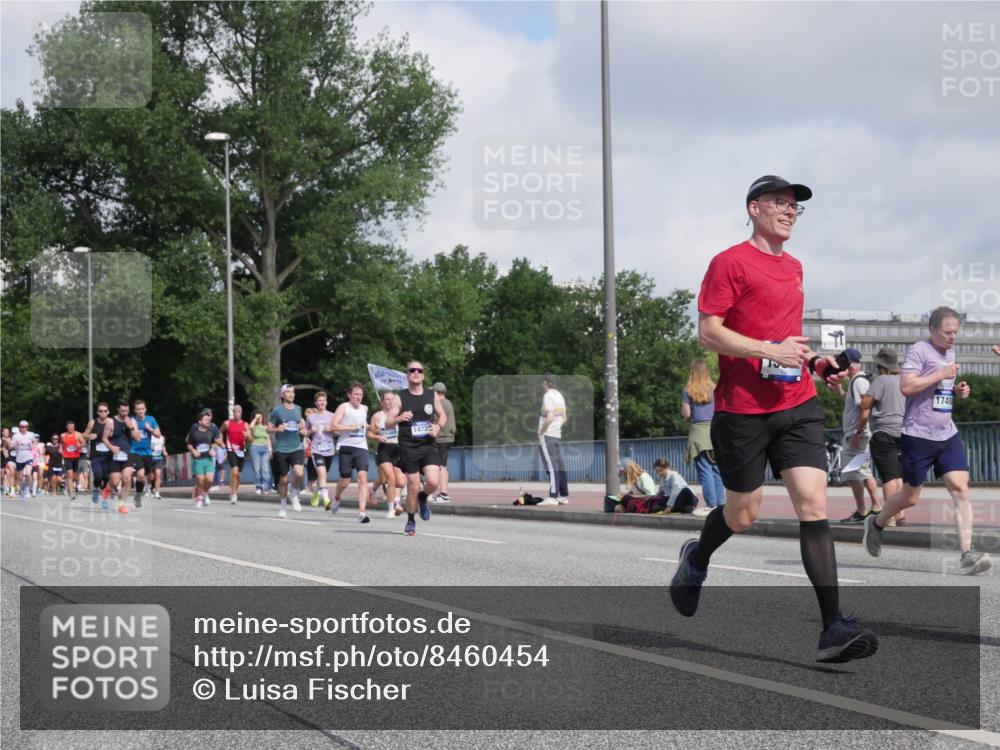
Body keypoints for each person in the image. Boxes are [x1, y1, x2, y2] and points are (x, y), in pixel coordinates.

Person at [670, 175, 877, 664]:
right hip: (742, 411)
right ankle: (696, 559)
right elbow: (708, 333)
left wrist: (814, 364)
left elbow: (787, 340)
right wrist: (770, 349)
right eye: (781, 203)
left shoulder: (797, 268)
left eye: (795, 207)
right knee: (743, 514)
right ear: (754, 208)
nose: (790, 212)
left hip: (797, 405)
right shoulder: (728, 263)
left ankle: (832, 629)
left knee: (812, 502)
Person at [863, 307, 992, 575]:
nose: (952, 337)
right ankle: (876, 523)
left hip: (947, 433)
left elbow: (938, 391)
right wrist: (939, 375)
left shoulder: (949, 352)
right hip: (918, 435)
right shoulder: (919, 351)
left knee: (960, 488)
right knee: (910, 497)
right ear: (932, 330)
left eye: (956, 332)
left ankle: (967, 554)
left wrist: (956, 391)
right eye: (947, 332)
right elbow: (907, 387)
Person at [387, 361, 447, 536]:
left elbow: (442, 415)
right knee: (413, 485)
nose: (415, 372)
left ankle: (423, 497)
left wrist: (437, 427)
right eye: (412, 370)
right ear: (407, 375)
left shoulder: (431, 395)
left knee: (434, 482)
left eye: (419, 370)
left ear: (423, 375)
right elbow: (388, 422)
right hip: (408, 447)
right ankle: (411, 520)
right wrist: (399, 418)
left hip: (427, 444)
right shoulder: (400, 397)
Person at [857, 348, 907, 526]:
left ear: (881, 365)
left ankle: (889, 517)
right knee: (899, 476)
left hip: (883, 433)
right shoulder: (904, 380)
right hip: (903, 432)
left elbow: (865, 404)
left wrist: (866, 395)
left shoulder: (880, 380)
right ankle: (900, 515)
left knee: (888, 477)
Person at [835, 349, 881, 524]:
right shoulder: (856, 382)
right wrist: (839, 390)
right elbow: (855, 405)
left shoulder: (858, 382)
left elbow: (865, 409)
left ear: (849, 365)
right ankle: (875, 507)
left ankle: (863, 510)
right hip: (859, 434)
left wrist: (857, 433)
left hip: (857, 435)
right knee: (863, 472)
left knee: (853, 474)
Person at [681, 359, 726, 516]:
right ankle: (721, 503)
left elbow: (686, 414)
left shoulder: (688, 391)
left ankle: (710, 504)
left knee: (704, 469)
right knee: (716, 469)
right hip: (716, 430)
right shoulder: (715, 388)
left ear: (693, 373)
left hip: (699, 433)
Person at [331, 382, 371, 523]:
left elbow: (364, 424)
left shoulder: (364, 408)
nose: (358, 397)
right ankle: (336, 497)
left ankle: (362, 512)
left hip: (361, 447)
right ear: (349, 395)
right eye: (355, 394)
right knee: (345, 480)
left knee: (362, 479)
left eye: (360, 395)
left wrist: (368, 426)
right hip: (346, 447)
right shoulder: (344, 407)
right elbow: (333, 426)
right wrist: (349, 427)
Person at [268, 384, 307, 518]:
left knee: (299, 473)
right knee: (283, 480)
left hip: (296, 447)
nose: (291, 394)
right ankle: (283, 506)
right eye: (288, 392)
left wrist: (303, 429)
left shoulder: (298, 409)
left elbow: (301, 424)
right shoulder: (277, 411)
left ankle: (294, 493)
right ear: (282, 395)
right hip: (282, 449)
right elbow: (268, 428)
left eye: (292, 392)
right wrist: (277, 429)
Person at [369, 392, 405, 518]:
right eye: (388, 399)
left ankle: (393, 502)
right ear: (382, 402)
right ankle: (392, 508)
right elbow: (370, 434)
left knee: (400, 482)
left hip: (397, 448)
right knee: (390, 479)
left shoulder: (399, 415)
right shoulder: (377, 416)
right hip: (384, 449)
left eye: (392, 399)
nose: (390, 402)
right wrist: (377, 436)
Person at [537, 372, 569, 505]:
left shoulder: (548, 396)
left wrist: (541, 432)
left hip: (548, 435)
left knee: (551, 466)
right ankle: (563, 495)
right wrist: (556, 427)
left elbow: (549, 417)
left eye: (541, 382)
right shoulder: (560, 396)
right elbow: (564, 418)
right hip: (556, 434)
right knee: (559, 465)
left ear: (545, 382)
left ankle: (553, 497)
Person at [105, 399, 141, 513]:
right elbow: (104, 438)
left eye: (126, 410)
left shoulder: (132, 421)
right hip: (114, 454)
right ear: (118, 409)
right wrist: (111, 447)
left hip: (127, 453)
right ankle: (108, 491)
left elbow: (138, 438)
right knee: (115, 482)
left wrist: (131, 427)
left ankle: (122, 503)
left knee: (127, 478)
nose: (125, 413)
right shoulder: (110, 421)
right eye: (122, 411)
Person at [186, 408, 225, 508]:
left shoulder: (212, 429)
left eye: (210, 416)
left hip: (208, 458)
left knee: (209, 480)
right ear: (200, 421)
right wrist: (194, 451)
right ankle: (200, 498)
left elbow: (216, 441)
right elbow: (189, 443)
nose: (209, 419)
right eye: (206, 417)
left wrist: (215, 448)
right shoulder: (194, 429)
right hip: (198, 459)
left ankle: (205, 493)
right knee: (200, 479)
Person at [305, 392, 337, 508]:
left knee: (322, 476)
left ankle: (316, 493)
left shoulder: (332, 416)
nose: (322, 402)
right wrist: (310, 431)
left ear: (326, 402)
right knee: (322, 473)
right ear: (316, 403)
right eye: (320, 400)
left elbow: (338, 431)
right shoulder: (311, 418)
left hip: (329, 450)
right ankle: (326, 499)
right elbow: (304, 433)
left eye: (324, 400)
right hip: (317, 450)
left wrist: (332, 429)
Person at [129, 399, 161, 509]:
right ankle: (138, 496)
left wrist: (150, 429)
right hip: (134, 451)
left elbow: (158, 434)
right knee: (140, 474)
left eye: (142, 409)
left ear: (145, 409)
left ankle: (142, 490)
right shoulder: (131, 420)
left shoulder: (151, 419)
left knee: (150, 477)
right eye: (138, 409)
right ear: (135, 410)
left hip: (147, 453)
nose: (140, 411)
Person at [428, 382, 456, 503]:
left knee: (440, 466)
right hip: (447, 437)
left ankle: (443, 494)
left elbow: (435, 420)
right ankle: (442, 493)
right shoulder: (448, 403)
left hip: (441, 438)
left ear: (437, 392)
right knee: (442, 465)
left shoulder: (440, 404)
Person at [221, 404, 251, 505]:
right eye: (235, 411)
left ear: (241, 413)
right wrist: (221, 443)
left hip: (241, 450)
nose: (236, 413)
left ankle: (234, 490)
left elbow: (251, 439)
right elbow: (220, 432)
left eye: (238, 411)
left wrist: (247, 437)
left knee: (238, 475)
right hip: (230, 449)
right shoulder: (227, 423)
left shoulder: (245, 425)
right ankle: (233, 494)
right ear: (232, 413)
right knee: (234, 471)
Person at [84, 403, 113, 507]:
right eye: (101, 411)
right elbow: (84, 435)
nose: (103, 413)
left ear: (108, 412)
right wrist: (89, 436)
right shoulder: (92, 423)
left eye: (105, 411)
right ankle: (96, 489)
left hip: (108, 456)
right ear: (97, 412)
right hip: (96, 455)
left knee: (106, 478)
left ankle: (105, 499)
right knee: (98, 475)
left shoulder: (111, 422)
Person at [10, 421, 37, 499]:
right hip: (19, 457)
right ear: (19, 427)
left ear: (28, 427)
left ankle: (27, 489)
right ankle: (22, 489)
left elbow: (35, 443)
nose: (24, 428)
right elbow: (10, 445)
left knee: (28, 474)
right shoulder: (16, 436)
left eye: (26, 427)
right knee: (20, 477)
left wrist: (32, 445)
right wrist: (16, 444)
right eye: (22, 427)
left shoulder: (31, 434)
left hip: (28, 456)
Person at [248, 411, 274, 494]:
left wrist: (270, 449)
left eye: (260, 417)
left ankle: (266, 487)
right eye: (258, 418)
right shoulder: (254, 427)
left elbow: (268, 439)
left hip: (265, 449)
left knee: (265, 469)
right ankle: (258, 486)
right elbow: (250, 427)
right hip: (255, 448)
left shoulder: (265, 427)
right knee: (257, 469)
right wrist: (255, 418)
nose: (259, 419)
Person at [60, 421, 85, 500]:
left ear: (74, 427)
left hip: (76, 456)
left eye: (72, 427)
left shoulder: (78, 434)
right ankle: (71, 492)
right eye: (69, 427)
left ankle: (76, 486)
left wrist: (79, 446)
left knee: (75, 476)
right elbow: (61, 444)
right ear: (67, 427)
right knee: (69, 474)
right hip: (67, 457)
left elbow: (83, 443)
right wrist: (61, 450)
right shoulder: (63, 435)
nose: (71, 428)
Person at [150, 431, 167, 499]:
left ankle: (157, 492)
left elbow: (163, 446)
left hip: (159, 458)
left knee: (158, 474)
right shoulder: (150, 437)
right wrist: (151, 447)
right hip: (150, 458)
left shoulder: (162, 437)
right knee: (151, 477)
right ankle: (149, 488)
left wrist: (164, 451)